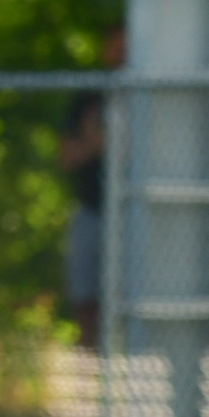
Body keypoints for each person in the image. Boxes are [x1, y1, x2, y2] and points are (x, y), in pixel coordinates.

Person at [59, 28, 125, 349]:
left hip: (136, 215)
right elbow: (66, 156)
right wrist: (98, 143)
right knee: (85, 294)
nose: (121, 52)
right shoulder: (89, 97)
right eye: (115, 43)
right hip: (91, 209)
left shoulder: (151, 96)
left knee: (131, 295)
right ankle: (90, 361)